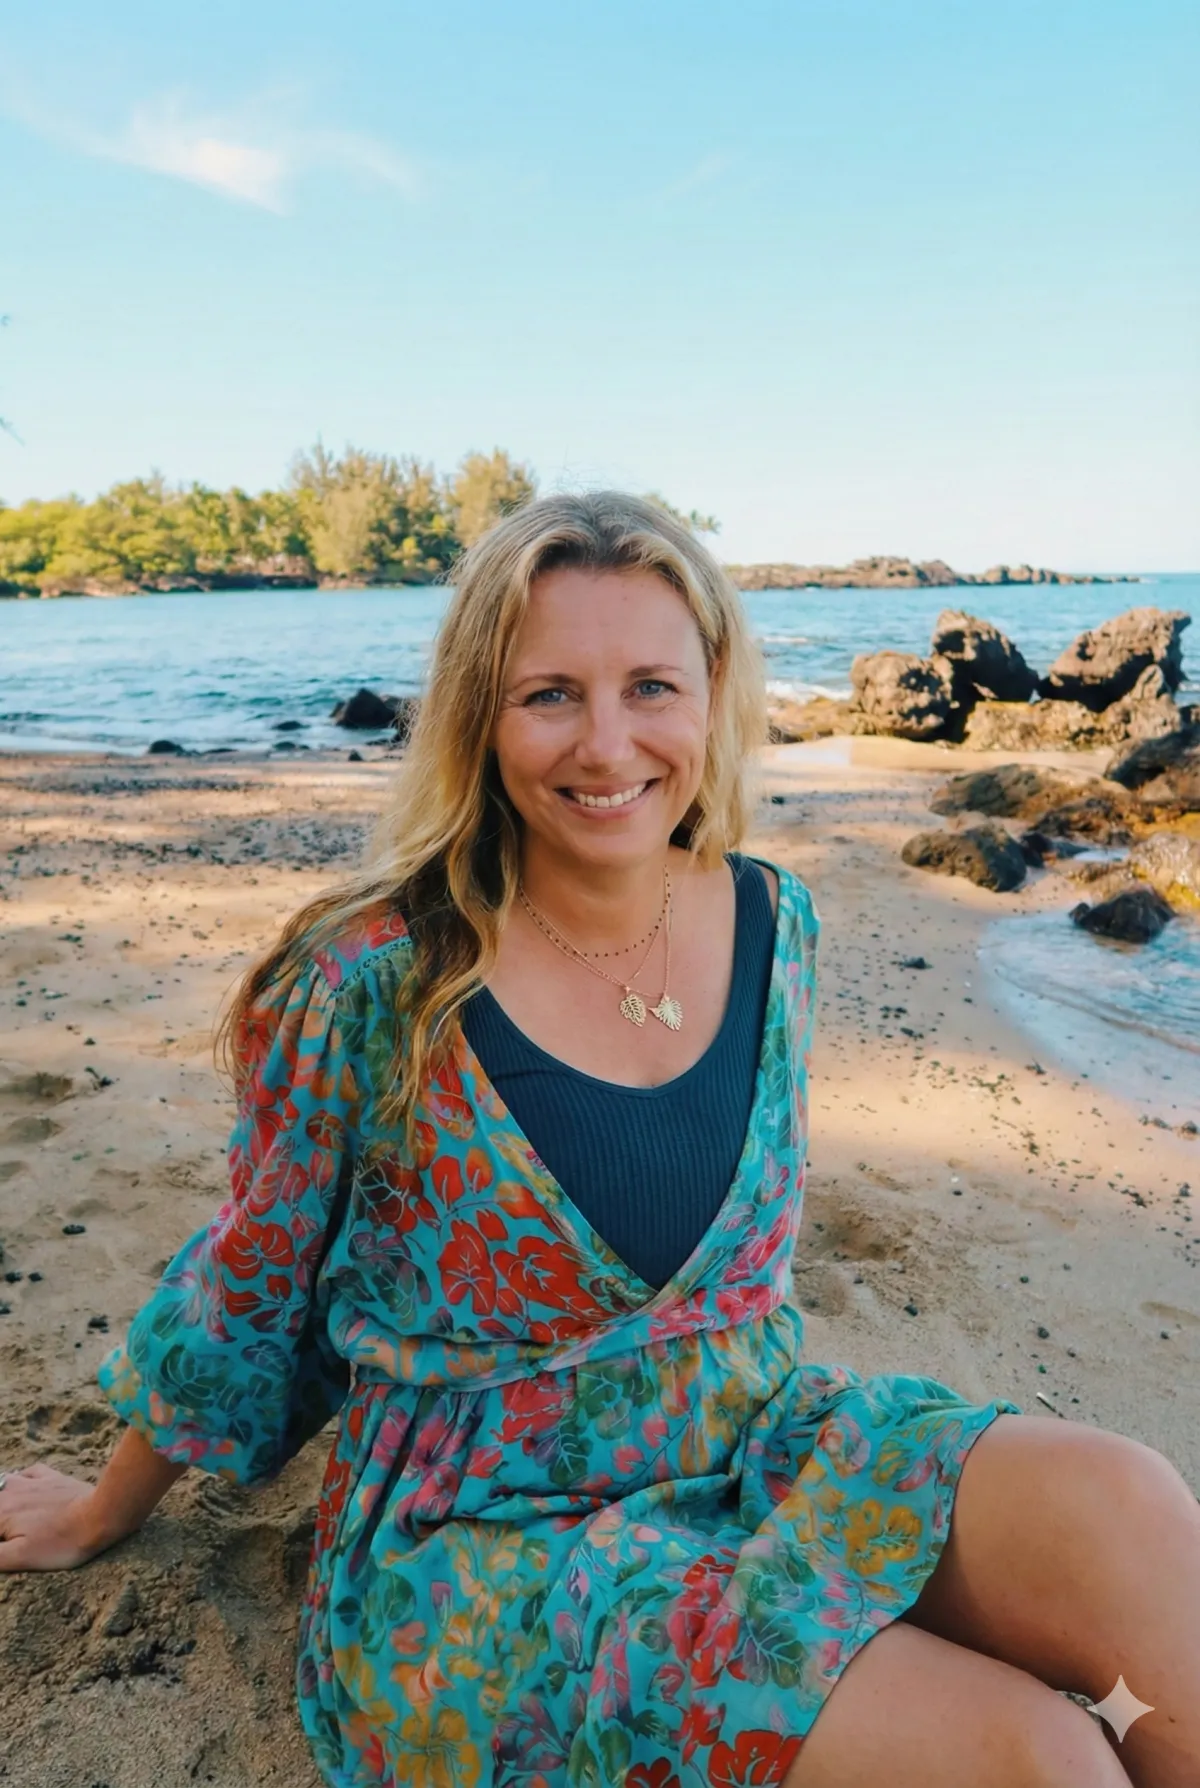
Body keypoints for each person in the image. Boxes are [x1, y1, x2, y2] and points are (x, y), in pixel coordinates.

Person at [1, 491, 1197, 1788]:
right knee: (1038, 1755)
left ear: (714, 692)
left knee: (1128, 1505)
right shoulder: (375, 981)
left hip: (755, 1442)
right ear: (480, 713)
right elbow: (253, 1281)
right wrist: (102, 1509)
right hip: (494, 1531)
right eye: (551, 695)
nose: (608, 743)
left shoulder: (776, 921)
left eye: (650, 687)